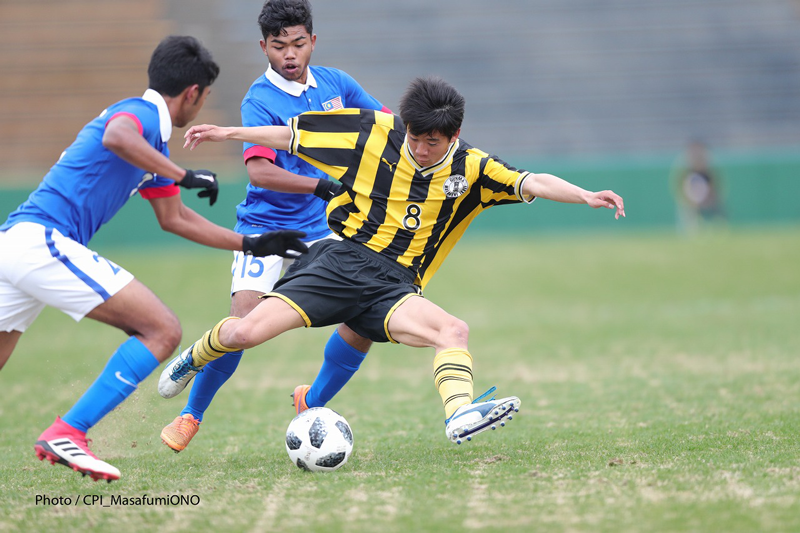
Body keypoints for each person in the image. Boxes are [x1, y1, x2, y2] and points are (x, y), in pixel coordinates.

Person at [164, 76, 626, 445]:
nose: (421, 149)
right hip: (340, 261)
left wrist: (584, 195)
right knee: (245, 331)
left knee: (453, 331)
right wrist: (228, 132)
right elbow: (290, 135)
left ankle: (459, 414)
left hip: (396, 286)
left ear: (455, 135)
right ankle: (195, 356)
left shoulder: (474, 168)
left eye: (433, 142)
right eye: (416, 138)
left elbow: (533, 181)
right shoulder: (372, 131)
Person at [0, 35, 308, 482]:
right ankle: (69, 431)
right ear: (193, 94)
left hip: (15, 245)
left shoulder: (153, 143)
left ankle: (69, 431)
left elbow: (176, 219)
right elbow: (117, 136)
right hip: (42, 241)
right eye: (203, 99)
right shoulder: (140, 117)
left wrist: (254, 245)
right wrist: (183, 173)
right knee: (162, 330)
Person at [158, 0, 392, 453]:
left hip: (322, 231)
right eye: (279, 46)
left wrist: (429, 135)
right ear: (263, 46)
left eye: (298, 44)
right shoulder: (258, 99)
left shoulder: (337, 84)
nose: (289, 54)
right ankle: (191, 414)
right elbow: (260, 173)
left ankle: (314, 398)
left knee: (368, 310)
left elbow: (384, 126)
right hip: (265, 229)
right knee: (243, 325)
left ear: (312, 43)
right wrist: (322, 185)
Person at [671, 140, 726, 233]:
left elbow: (712, 184)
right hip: (692, 197)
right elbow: (684, 185)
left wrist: (709, 195)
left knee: (717, 207)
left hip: (706, 196)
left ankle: (719, 226)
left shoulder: (707, 171)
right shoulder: (688, 171)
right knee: (688, 209)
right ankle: (692, 228)